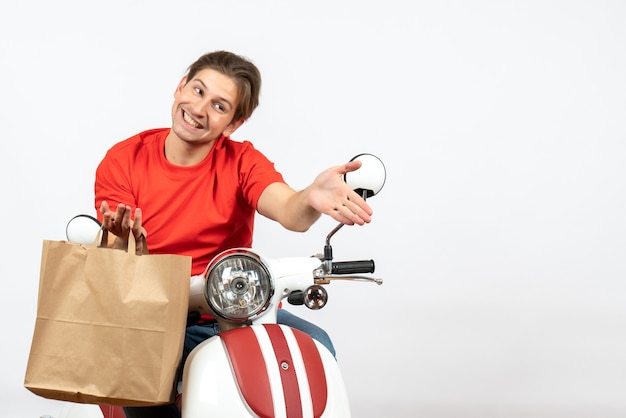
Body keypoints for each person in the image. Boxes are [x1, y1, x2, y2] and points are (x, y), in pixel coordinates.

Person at [94, 50, 373, 418]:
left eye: (219, 105)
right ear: (180, 88)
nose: (199, 108)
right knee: (140, 373)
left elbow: (290, 210)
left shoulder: (241, 161)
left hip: (234, 309)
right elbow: (116, 251)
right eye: (197, 91)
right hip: (156, 312)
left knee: (317, 346)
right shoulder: (125, 159)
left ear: (233, 124)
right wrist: (119, 238)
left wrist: (311, 196)